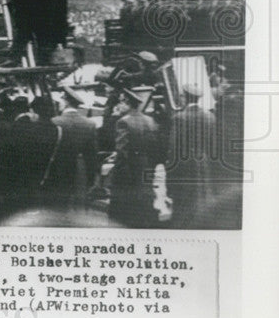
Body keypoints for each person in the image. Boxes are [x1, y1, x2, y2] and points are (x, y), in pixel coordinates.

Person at [166, 83, 218, 228]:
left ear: (184, 97)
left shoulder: (180, 118)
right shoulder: (210, 117)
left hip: (185, 167)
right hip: (203, 165)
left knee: (183, 205)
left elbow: (174, 149)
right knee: (201, 200)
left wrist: (170, 178)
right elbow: (213, 146)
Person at [108, 91, 160, 228]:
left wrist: (116, 172)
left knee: (123, 213)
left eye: (120, 102)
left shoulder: (123, 122)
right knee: (143, 204)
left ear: (127, 103)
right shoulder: (150, 120)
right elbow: (154, 147)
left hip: (129, 169)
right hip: (146, 165)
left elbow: (122, 151)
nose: (119, 105)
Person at [50, 91, 99, 203]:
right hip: (75, 171)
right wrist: (91, 180)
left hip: (55, 171)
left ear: (66, 102)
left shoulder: (54, 121)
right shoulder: (89, 124)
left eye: (61, 101)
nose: (59, 104)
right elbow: (91, 156)